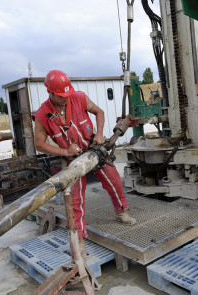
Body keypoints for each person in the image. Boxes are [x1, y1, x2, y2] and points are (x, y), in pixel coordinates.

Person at [32, 70, 137, 256]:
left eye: (67, 94)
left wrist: (98, 134)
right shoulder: (42, 115)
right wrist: (65, 151)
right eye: (61, 96)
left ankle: (122, 212)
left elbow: (99, 112)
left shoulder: (79, 98)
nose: (66, 98)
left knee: (114, 182)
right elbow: (39, 144)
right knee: (75, 200)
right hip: (72, 158)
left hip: (95, 149)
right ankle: (79, 238)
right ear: (50, 92)